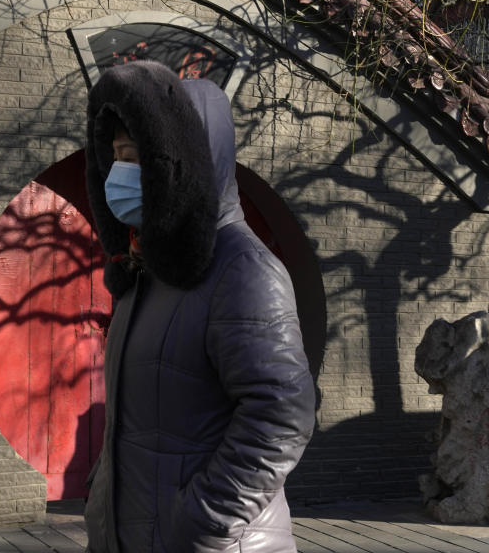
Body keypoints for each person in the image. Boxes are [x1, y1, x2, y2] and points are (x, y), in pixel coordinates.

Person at [82, 60, 316, 553]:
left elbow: (282, 414)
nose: (122, 171)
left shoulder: (242, 269)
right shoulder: (146, 271)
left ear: (182, 160)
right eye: (117, 155)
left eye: (138, 156)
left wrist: (201, 521)